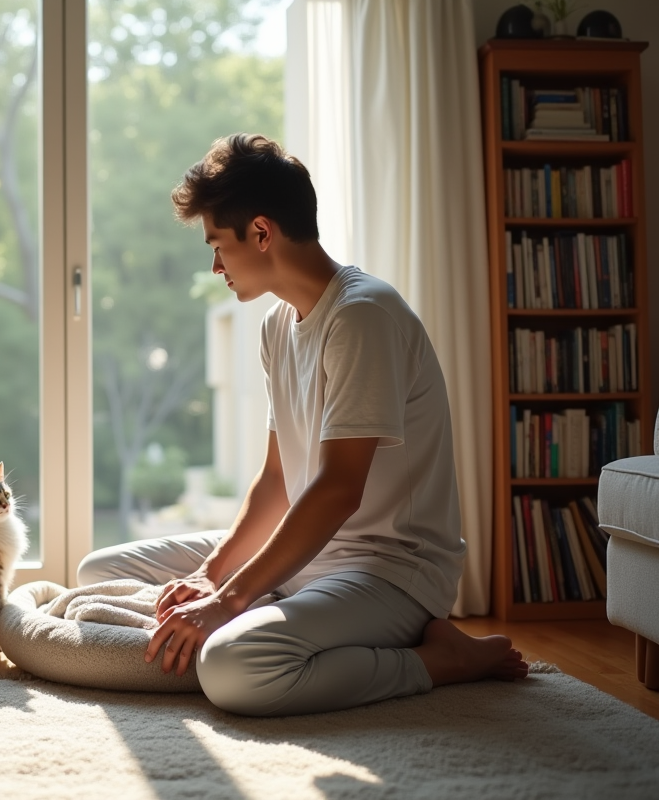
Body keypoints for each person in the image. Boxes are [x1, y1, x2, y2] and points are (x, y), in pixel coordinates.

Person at [78, 133, 528, 717]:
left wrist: (228, 601)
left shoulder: (363, 317)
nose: (214, 265)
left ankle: (439, 661)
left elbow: (339, 489)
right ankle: (259, 604)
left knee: (233, 668)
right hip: (301, 551)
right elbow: (277, 481)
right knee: (98, 570)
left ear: (262, 232)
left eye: (217, 245)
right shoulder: (277, 327)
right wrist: (211, 577)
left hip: (389, 570)